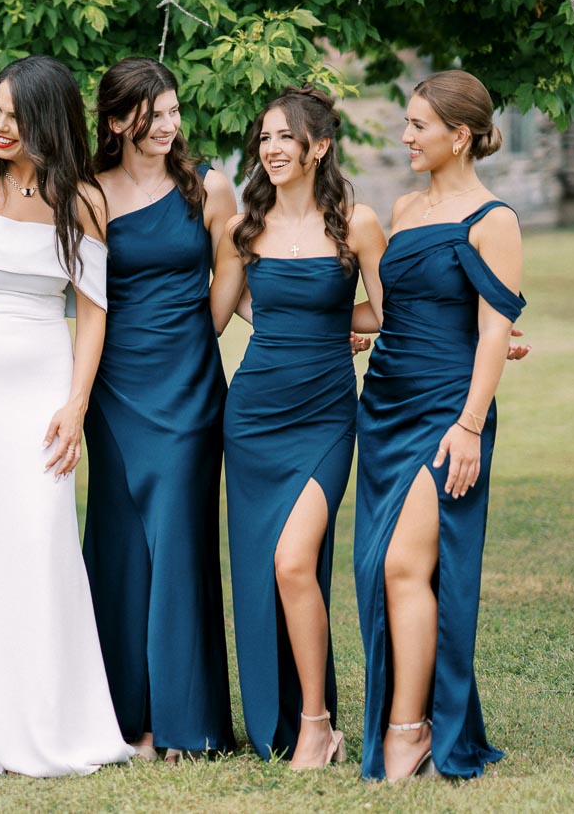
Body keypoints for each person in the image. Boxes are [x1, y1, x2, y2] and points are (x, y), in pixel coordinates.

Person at [0, 55, 134, 777]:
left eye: (16, 115)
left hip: (42, 389)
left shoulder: (84, 201)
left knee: (39, 541)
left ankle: (48, 717)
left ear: (49, 120)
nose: (0, 126)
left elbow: (95, 317)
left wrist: (74, 406)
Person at [353, 70, 524, 782]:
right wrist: (321, 325)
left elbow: (492, 331)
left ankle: (410, 732)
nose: (405, 136)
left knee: (406, 566)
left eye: (419, 125)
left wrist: (469, 425)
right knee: (380, 574)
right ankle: (411, 720)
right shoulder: (405, 207)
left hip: (446, 414)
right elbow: (398, 310)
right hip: (384, 407)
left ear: (460, 135)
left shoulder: (496, 221)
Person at [211, 86, 385, 769]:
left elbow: (391, 312)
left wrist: (340, 325)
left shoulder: (357, 223)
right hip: (252, 419)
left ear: (319, 147)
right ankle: (288, 719)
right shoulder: (242, 230)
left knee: (292, 563)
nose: (272, 149)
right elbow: (215, 316)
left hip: (325, 418)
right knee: (266, 572)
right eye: (265, 138)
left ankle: (317, 724)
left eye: (286, 137)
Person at [82, 57, 238, 762]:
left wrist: (196, 335)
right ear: (118, 122)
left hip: (188, 381)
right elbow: (82, 296)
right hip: (114, 387)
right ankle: (124, 721)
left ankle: (187, 722)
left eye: (176, 111)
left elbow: (230, 266)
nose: (171, 125)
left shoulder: (208, 183)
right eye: (156, 114)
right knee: (119, 547)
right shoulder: (88, 194)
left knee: (179, 540)